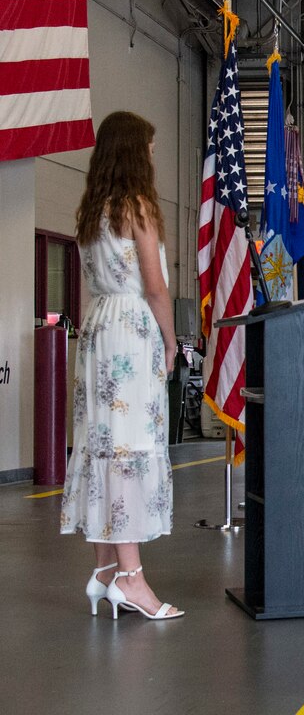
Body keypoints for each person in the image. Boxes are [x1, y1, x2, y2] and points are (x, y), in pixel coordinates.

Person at [60, 111, 183, 620]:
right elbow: (154, 286)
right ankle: (132, 581)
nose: (153, 155)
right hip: (132, 331)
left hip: (98, 327)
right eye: (150, 148)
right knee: (130, 446)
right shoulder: (138, 207)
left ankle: (106, 573)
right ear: (135, 151)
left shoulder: (91, 209)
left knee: (101, 445)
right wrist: (173, 341)